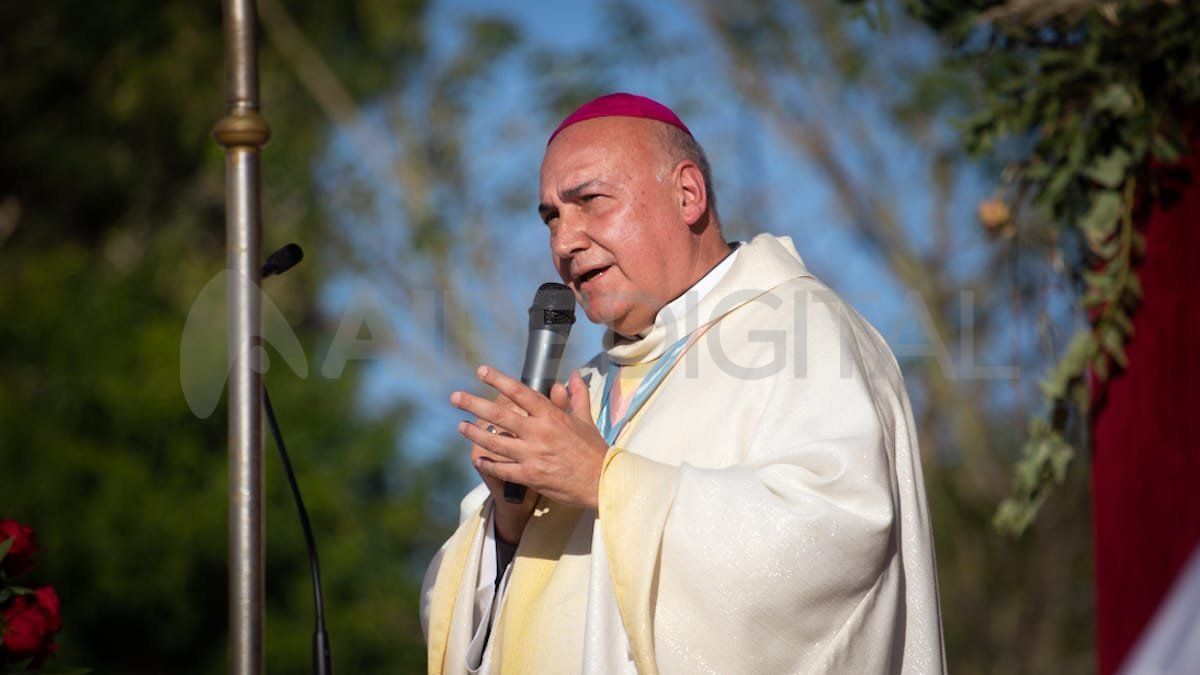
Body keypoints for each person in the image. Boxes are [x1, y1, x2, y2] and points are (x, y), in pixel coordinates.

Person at [422, 93, 944, 674]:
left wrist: (605, 480)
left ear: (687, 195)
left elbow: (836, 540)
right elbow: (453, 620)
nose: (564, 242)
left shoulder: (800, 330)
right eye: (551, 218)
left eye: (589, 202)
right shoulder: (584, 389)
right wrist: (508, 524)